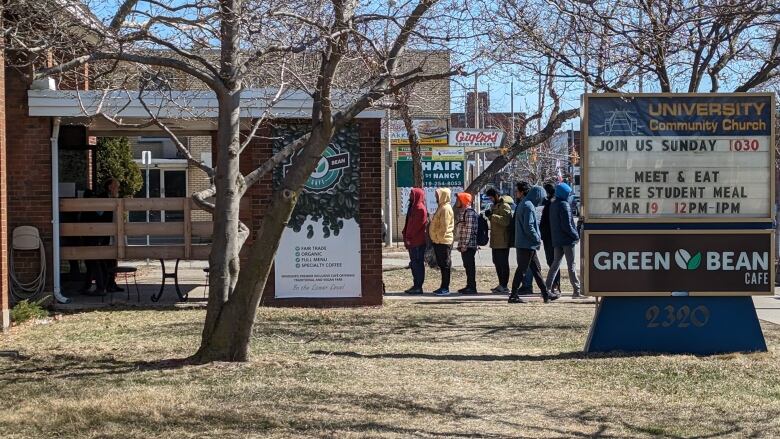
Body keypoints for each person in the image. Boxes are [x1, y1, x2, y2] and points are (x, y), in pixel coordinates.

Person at [510, 182, 556, 304]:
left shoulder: (524, 203)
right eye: (541, 198)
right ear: (537, 196)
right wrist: (536, 238)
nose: (541, 201)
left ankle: (546, 294)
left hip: (524, 243)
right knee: (522, 270)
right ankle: (513, 295)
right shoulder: (529, 206)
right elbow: (529, 226)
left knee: (536, 269)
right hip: (527, 244)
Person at [546, 182, 583, 298]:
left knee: (555, 264)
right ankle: (576, 290)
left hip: (557, 240)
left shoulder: (553, 204)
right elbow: (567, 225)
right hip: (567, 240)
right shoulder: (564, 205)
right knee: (571, 265)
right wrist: (576, 236)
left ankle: (546, 288)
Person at [485, 188, 513, 294]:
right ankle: (500, 284)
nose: (491, 199)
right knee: (496, 262)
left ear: (496, 195)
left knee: (503, 263)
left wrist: (492, 216)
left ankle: (504, 285)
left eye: (491, 197)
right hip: (495, 240)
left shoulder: (505, 206)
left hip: (503, 240)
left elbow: (506, 221)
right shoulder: (495, 206)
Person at [402, 188, 428, 295]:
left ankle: (418, 286)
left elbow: (416, 227)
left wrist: (409, 237)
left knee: (417, 264)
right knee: (414, 264)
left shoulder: (420, 209)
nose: (410, 197)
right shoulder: (412, 208)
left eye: (412, 195)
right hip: (412, 242)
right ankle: (415, 285)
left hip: (417, 242)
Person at [429, 188, 454, 296]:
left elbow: (444, 227)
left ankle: (445, 288)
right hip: (438, 241)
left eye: (437, 195)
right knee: (442, 265)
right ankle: (442, 286)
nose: (436, 197)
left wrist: (437, 238)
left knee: (445, 265)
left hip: (443, 241)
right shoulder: (441, 207)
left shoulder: (446, 209)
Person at [454, 192, 478, 294]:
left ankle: (472, 287)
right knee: (467, 266)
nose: (456, 202)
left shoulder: (469, 212)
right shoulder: (464, 212)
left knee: (470, 266)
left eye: (458, 200)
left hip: (469, 245)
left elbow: (469, 229)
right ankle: (469, 285)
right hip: (465, 244)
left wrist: (464, 245)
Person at [539, 183, 560, 294]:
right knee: (551, 260)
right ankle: (554, 285)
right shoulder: (548, 203)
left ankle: (555, 285)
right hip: (547, 235)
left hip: (551, 235)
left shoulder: (552, 203)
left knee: (553, 261)